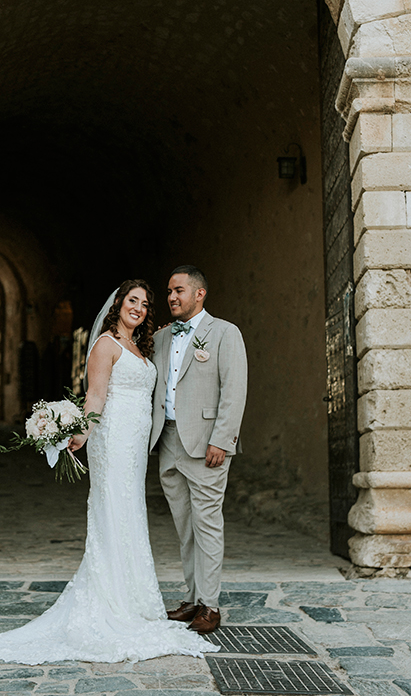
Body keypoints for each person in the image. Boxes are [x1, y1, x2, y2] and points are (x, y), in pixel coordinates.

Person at [0, 280, 218, 664]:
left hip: (135, 444)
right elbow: (96, 394)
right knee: (113, 512)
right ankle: (110, 601)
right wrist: (82, 430)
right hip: (113, 438)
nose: (139, 307)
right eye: (132, 300)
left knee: (130, 513)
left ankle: (132, 599)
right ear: (118, 304)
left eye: (146, 304)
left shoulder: (141, 346)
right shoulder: (106, 345)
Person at [150, 265, 248, 634]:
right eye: (169, 292)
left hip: (207, 443)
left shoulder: (224, 333)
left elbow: (234, 390)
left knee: (207, 523)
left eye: (178, 290)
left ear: (199, 293)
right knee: (184, 526)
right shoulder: (161, 339)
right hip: (168, 441)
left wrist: (223, 440)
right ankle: (192, 598)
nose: (172, 297)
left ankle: (211, 605)